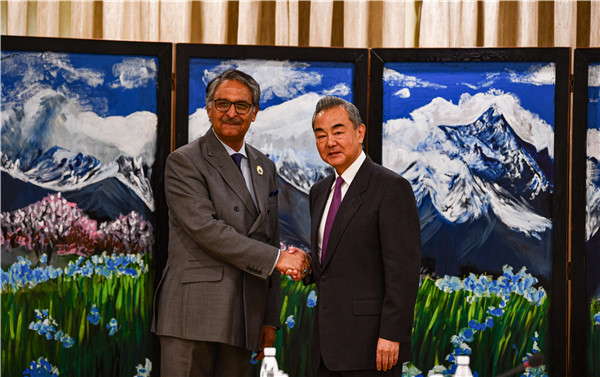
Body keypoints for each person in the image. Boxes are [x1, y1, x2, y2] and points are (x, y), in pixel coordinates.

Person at [152, 69, 310, 377]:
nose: (231, 112)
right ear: (208, 108)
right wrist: (279, 259)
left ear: (255, 113)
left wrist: (268, 319)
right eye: (222, 103)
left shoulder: (265, 166)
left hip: (245, 319)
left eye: (242, 105)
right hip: (192, 317)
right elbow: (205, 230)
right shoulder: (184, 161)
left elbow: (269, 238)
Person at [307, 96, 421, 376]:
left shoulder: (391, 187)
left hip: (373, 346)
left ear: (360, 133)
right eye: (321, 135)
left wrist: (392, 334)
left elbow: (403, 270)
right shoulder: (319, 192)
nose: (329, 142)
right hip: (326, 347)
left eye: (338, 131)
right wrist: (307, 264)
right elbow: (335, 261)